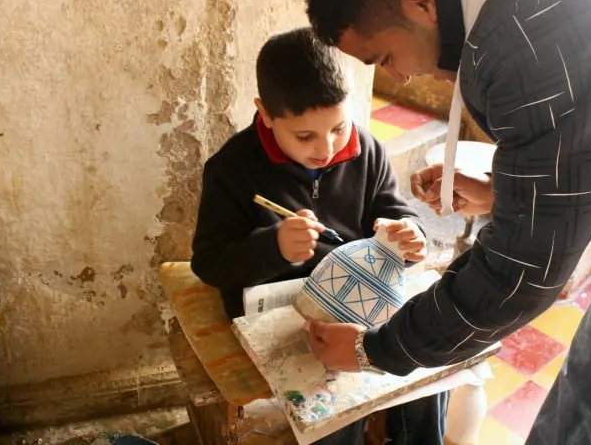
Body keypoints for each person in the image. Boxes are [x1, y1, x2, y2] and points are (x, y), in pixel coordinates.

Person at [303, 0, 591, 442]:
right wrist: (509, 188)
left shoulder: (529, 39)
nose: (398, 75)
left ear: (421, 4)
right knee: (584, 379)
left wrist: (375, 350)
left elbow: (519, 275)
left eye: (385, 56)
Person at [190, 27, 448, 445]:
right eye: (305, 136)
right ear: (266, 114)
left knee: (423, 360)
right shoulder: (232, 168)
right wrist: (273, 246)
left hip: (359, 295)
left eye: (338, 127)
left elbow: (391, 210)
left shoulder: (366, 148)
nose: (326, 147)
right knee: (331, 405)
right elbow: (209, 262)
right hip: (281, 306)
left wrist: (408, 233)